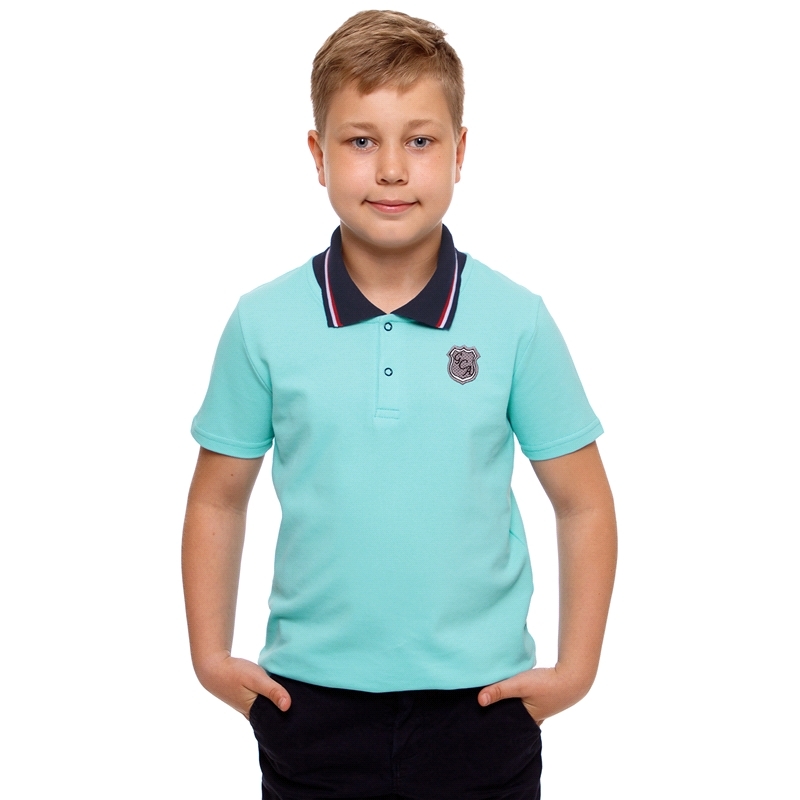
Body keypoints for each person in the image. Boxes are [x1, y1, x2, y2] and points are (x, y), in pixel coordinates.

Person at [182, 10, 617, 800]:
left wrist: (576, 670)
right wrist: (211, 658)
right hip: (309, 707)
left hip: (483, 708)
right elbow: (218, 497)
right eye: (360, 140)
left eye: (419, 140)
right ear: (317, 155)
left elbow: (583, 502)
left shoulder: (516, 320)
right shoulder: (263, 321)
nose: (390, 169)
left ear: (460, 152)